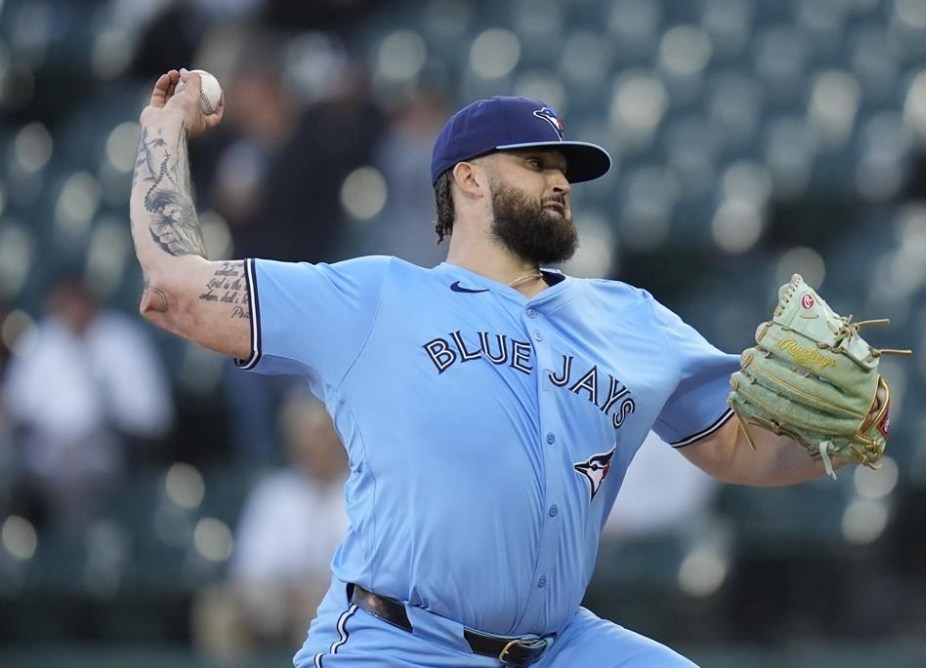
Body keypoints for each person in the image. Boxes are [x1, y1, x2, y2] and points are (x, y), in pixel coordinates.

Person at [130, 69, 884, 668]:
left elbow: (738, 451)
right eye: (535, 162)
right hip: (399, 645)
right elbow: (173, 285)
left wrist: (844, 434)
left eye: (564, 167)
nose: (559, 180)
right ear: (468, 179)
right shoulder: (373, 298)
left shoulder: (631, 318)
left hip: (561, 649)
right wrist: (162, 126)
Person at [1, 273, 174, 528]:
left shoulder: (123, 340)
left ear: (90, 301)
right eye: (64, 304)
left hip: (111, 449)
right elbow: (12, 407)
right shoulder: (43, 340)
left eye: (76, 302)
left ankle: (81, 545)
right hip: (45, 451)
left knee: (77, 472)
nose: (72, 311)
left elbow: (154, 417)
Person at [193, 389, 350, 657]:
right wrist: (279, 592)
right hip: (276, 597)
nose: (316, 444)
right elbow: (248, 570)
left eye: (322, 433)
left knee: (318, 611)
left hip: (339, 601)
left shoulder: (359, 493)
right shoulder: (274, 494)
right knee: (219, 610)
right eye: (307, 434)